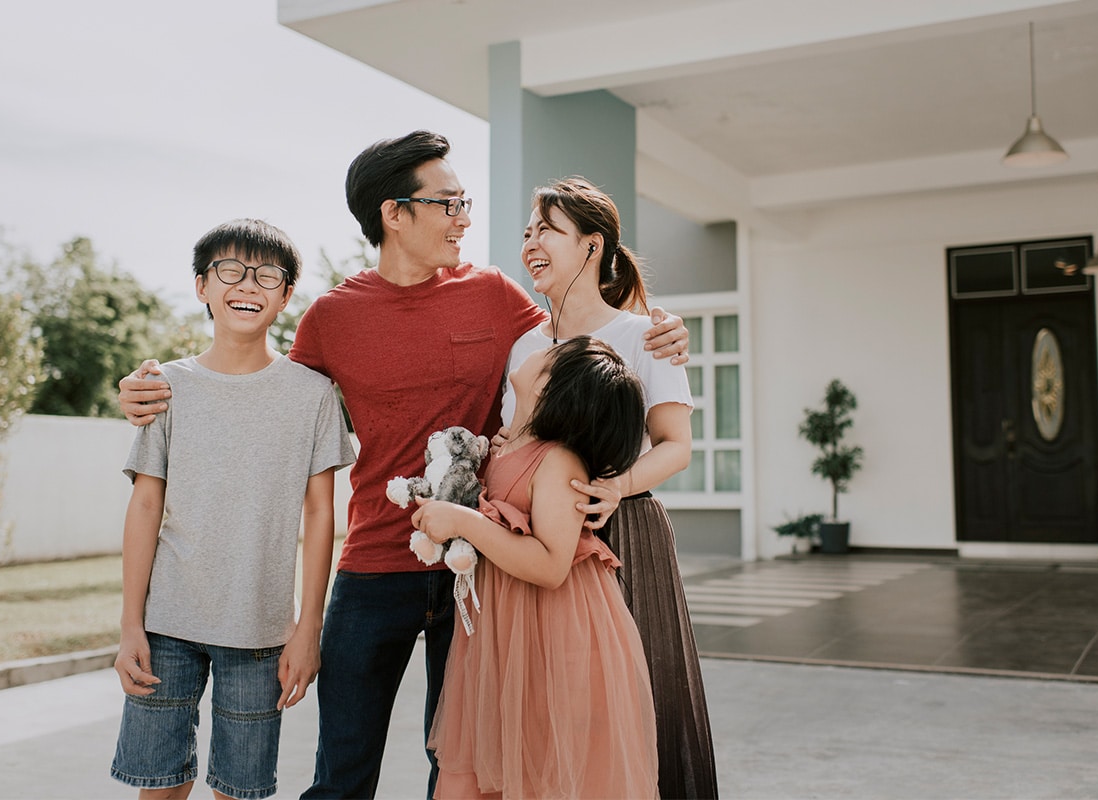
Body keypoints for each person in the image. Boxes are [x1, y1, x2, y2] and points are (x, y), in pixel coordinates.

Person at [115, 131, 689, 799]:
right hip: (372, 571)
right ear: (395, 213)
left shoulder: (497, 297)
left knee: (462, 772)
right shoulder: (331, 317)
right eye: (449, 203)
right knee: (341, 776)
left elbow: (576, 344)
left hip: (478, 571)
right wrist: (147, 386)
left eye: (463, 202)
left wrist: (654, 328)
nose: (464, 219)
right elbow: (260, 390)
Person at [110, 219, 356, 800]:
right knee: (159, 785)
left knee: (240, 791)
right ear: (202, 286)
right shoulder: (164, 386)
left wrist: (307, 629)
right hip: (166, 623)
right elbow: (146, 504)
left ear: (287, 294)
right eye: (229, 270)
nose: (248, 284)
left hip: (261, 628)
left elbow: (321, 515)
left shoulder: (313, 394)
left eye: (267, 275)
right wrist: (128, 625)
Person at [500, 176, 718, 799]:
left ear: (592, 247)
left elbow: (676, 446)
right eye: (527, 232)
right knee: (558, 705)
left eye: (548, 230)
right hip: (543, 538)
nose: (531, 243)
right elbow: (516, 436)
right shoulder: (525, 344)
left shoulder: (645, 334)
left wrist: (614, 488)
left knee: (642, 696)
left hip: (622, 532)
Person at [413, 336, 659, 799]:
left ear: (549, 387)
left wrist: (465, 521)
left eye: (550, 354)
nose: (539, 348)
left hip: (553, 633)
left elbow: (551, 565)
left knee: (546, 763)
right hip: (504, 632)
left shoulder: (558, 461)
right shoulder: (504, 450)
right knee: (498, 759)